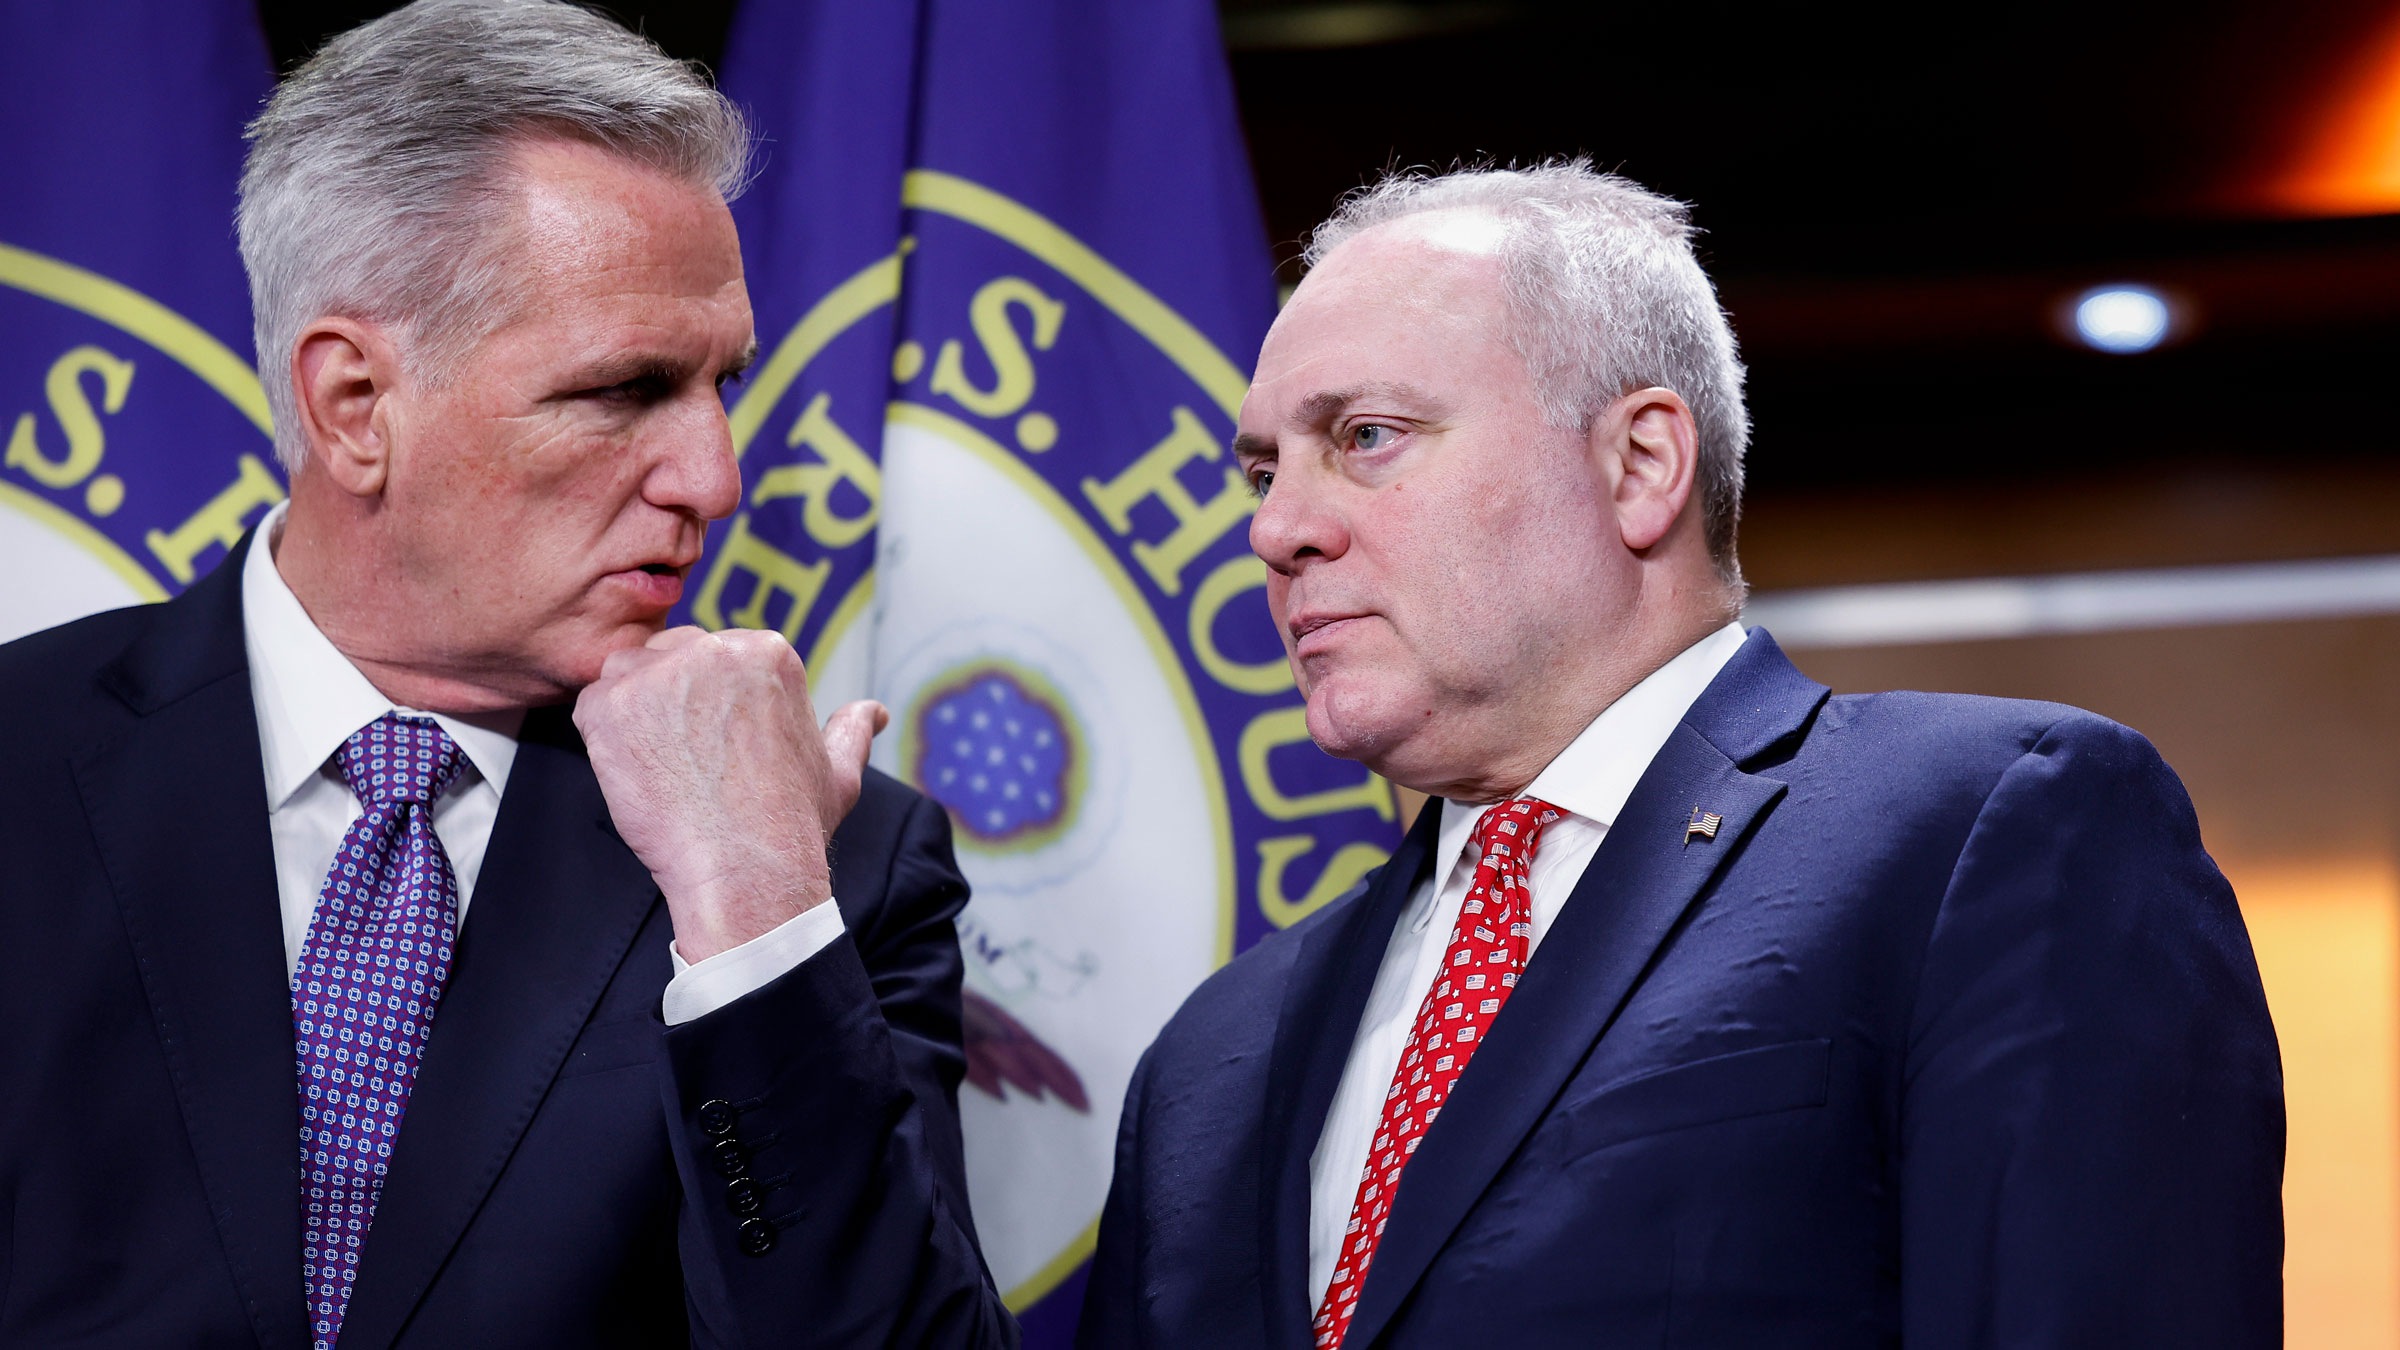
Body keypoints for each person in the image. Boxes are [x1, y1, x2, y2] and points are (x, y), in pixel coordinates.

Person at [1080, 161, 2282, 1348]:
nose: (1277, 528)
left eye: (1367, 435)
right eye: (1262, 469)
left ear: (1640, 463)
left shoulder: (1990, 834)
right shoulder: (1211, 1054)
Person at [0, 2, 1013, 1346]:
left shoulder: (838, 860)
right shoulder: (20, 766)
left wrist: (753, 911)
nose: (714, 478)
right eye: (624, 389)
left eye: (722, 384)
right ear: (354, 404)